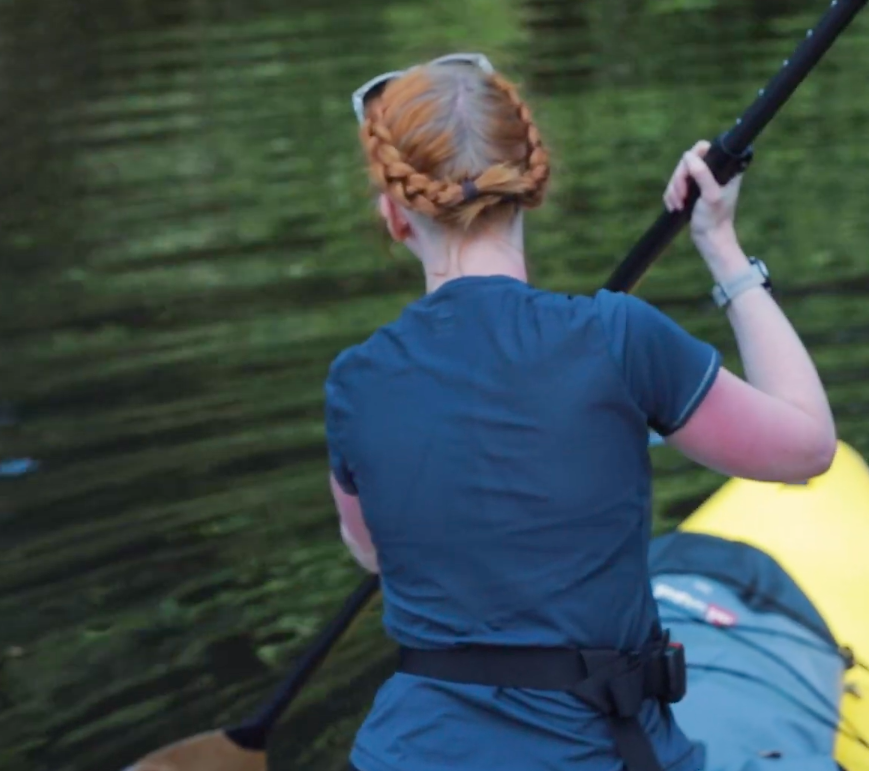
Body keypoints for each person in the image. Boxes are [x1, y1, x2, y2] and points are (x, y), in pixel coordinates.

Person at [324, 52, 836, 771]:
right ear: (534, 181)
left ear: (393, 213)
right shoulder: (617, 336)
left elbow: (373, 551)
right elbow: (807, 446)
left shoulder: (354, 382)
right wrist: (722, 249)